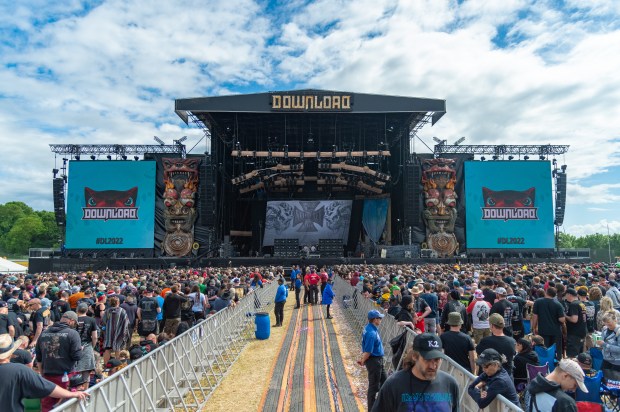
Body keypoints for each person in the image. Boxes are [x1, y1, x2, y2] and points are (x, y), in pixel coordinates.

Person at [0, 334, 89, 412]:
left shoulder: (19, 370)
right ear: (11, 353)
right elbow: (47, 387)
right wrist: (72, 393)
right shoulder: (19, 370)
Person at [372, 333, 459, 412]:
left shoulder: (450, 384)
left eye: (437, 360)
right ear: (414, 356)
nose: (433, 366)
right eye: (427, 360)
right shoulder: (393, 384)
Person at [35, 311, 83, 412]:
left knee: (46, 406)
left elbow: (38, 359)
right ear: (71, 321)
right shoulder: (73, 333)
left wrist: (43, 375)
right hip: (66, 376)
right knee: (66, 405)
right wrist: (80, 349)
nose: (74, 326)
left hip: (47, 376)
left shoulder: (44, 333)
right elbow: (77, 356)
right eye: (75, 323)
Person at [358, 309, 387, 411]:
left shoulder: (369, 328)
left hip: (377, 361)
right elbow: (368, 351)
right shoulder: (371, 333)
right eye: (379, 318)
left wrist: (363, 359)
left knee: (386, 383)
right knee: (373, 387)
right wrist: (362, 360)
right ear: (375, 319)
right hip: (374, 362)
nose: (381, 320)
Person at [531, 286, 565, 361]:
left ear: (546, 292)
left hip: (543, 330)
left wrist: (533, 327)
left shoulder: (538, 302)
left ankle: (544, 363)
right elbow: (562, 319)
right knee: (555, 350)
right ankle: (556, 364)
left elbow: (535, 316)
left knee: (543, 349)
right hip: (556, 331)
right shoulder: (558, 304)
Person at [102, 296, 130, 363]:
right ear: (118, 302)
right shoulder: (122, 311)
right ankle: (118, 364)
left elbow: (103, 322)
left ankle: (105, 365)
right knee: (118, 349)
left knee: (107, 349)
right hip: (119, 333)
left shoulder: (107, 311)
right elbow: (126, 322)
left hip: (109, 334)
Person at [564, 288, 587, 358]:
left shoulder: (573, 304)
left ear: (569, 295)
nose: (565, 297)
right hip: (582, 332)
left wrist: (565, 316)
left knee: (572, 356)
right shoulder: (581, 303)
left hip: (574, 334)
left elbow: (574, 319)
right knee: (579, 355)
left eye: (565, 295)